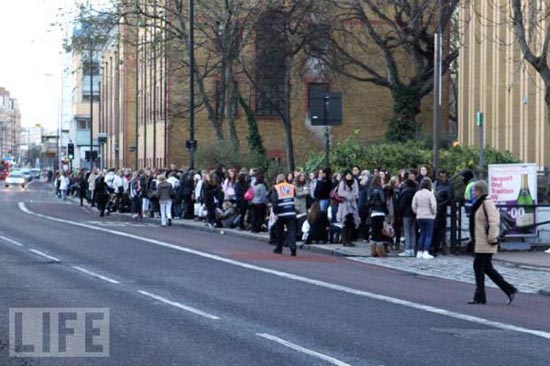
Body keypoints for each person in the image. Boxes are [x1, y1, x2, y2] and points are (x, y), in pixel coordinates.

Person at [468, 180, 518, 305]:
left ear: (479, 191)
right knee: (487, 268)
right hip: (480, 241)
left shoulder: (487, 203)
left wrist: (491, 238)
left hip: (486, 241)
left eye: (474, 190)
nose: (473, 192)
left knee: (479, 266)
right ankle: (508, 289)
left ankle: (480, 296)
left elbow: (494, 221)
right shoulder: (480, 203)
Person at [271, 174, 297, 256]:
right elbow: (294, 196)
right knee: (291, 230)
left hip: (281, 212)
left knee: (280, 231)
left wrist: (275, 212)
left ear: (277, 180)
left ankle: (279, 248)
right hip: (291, 211)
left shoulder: (276, 188)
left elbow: (274, 201)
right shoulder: (291, 186)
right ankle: (293, 248)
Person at [412, 178, 437, 259]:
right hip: (429, 216)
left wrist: (417, 212)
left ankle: (419, 251)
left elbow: (413, 206)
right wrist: (434, 213)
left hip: (420, 216)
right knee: (428, 235)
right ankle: (426, 251)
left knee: (422, 234)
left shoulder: (417, 194)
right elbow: (433, 206)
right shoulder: (430, 194)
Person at [337, 170, 360, 247]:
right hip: (344, 205)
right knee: (345, 222)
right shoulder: (342, 182)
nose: (349, 176)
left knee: (351, 222)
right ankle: (344, 240)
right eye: (347, 175)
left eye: (350, 175)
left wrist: (351, 196)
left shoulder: (355, 182)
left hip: (352, 204)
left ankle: (349, 239)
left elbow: (356, 192)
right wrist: (348, 195)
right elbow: (340, 192)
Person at [398, 173, 418, 257]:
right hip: (414, 213)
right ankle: (412, 249)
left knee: (407, 231)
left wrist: (400, 212)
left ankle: (408, 249)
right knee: (412, 231)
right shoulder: (416, 192)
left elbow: (401, 204)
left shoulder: (405, 191)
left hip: (406, 213)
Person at [432, 170, 452, 255]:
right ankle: (433, 246)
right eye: (441, 176)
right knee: (434, 229)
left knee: (440, 229)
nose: (442, 178)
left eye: (443, 176)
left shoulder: (448, 186)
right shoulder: (436, 184)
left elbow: (449, 198)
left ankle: (438, 247)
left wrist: (440, 204)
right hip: (433, 208)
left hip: (441, 209)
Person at [368, 175, 387, 257]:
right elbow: (383, 201)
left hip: (373, 212)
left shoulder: (371, 189)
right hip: (380, 212)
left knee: (374, 232)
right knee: (379, 232)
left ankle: (373, 250)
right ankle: (380, 251)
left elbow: (368, 201)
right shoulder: (380, 190)